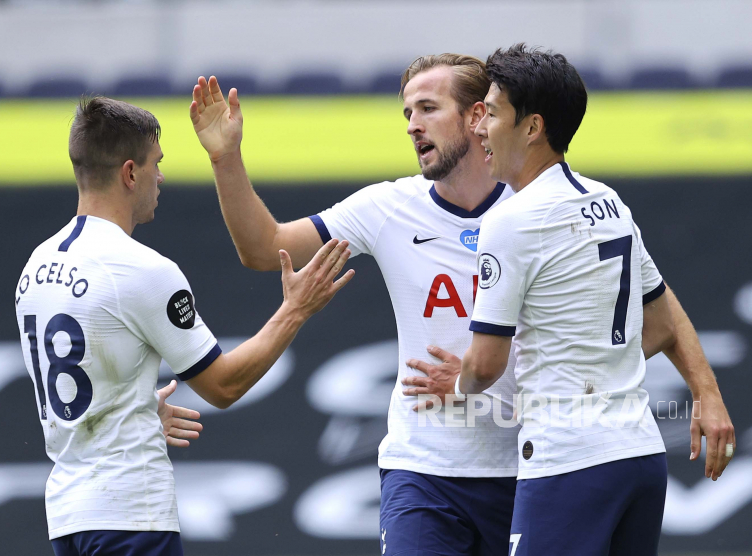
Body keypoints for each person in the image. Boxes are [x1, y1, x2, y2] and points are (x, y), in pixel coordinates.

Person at [190, 56, 520, 555]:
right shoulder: (387, 207)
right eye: (407, 113)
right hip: (423, 472)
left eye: (428, 108)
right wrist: (225, 158)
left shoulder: (536, 208)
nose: (412, 125)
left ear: (477, 117)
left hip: (527, 467)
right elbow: (263, 248)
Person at [15, 96, 354, 556]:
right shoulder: (140, 269)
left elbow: (77, 380)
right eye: (157, 163)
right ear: (130, 173)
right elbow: (223, 385)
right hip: (131, 515)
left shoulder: (36, 264)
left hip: (68, 516)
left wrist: (130, 405)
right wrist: (295, 310)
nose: (162, 176)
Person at [457, 44, 735, 555]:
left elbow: (486, 363)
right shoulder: (609, 202)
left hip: (569, 461)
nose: (479, 130)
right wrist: (707, 393)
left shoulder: (510, 221)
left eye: (491, 114)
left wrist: (458, 384)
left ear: (533, 127)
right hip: (640, 457)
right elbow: (660, 318)